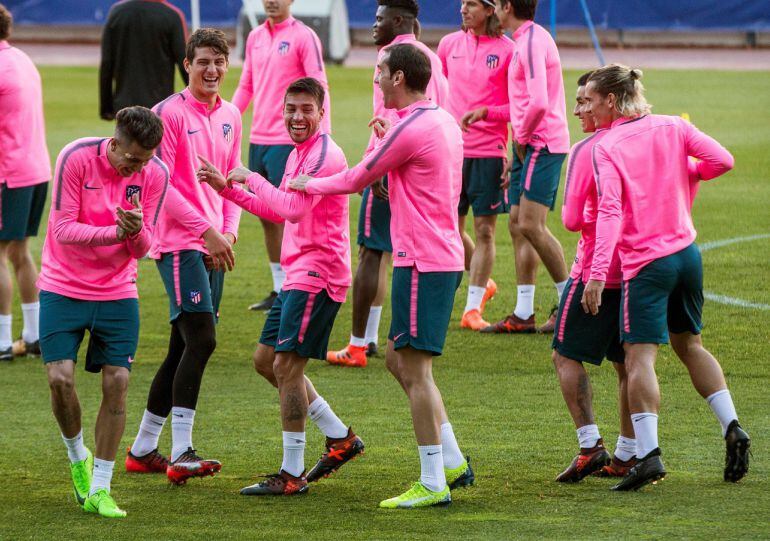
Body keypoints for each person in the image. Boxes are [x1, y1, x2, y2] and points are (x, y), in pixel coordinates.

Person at [291, 44, 473, 509]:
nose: (376, 80)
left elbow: (354, 179)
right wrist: (383, 146)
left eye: (380, 73)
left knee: (414, 369)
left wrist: (309, 183)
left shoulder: (411, 128)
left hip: (423, 259)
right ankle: (451, 461)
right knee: (397, 359)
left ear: (398, 78)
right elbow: (397, 183)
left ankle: (434, 480)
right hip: (435, 256)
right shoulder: (442, 120)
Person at [583, 64, 750, 490]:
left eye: (594, 99)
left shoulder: (607, 146)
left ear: (613, 101)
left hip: (647, 264)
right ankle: (731, 425)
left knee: (639, 357)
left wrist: (597, 274)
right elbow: (722, 160)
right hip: (686, 255)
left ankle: (650, 454)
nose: (589, 106)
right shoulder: (674, 126)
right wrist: (689, 174)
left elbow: (610, 211)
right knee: (690, 344)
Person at [198, 77, 364, 496]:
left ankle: (292, 474)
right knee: (265, 359)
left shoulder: (324, 155)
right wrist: (227, 190)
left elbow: (290, 210)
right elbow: (273, 207)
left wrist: (250, 177)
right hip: (298, 273)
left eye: (306, 109)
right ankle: (339, 437)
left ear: (321, 112)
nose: (296, 117)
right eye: (291, 109)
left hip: (319, 272)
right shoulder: (298, 155)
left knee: (287, 368)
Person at [126, 29, 242, 486]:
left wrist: (227, 232)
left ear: (226, 65)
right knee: (203, 338)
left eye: (218, 61)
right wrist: (206, 231)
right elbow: (162, 185)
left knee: (183, 344)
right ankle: (182, 451)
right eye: (202, 62)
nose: (211, 70)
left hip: (214, 243)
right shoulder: (168, 114)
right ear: (187, 65)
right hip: (177, 242)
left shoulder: (231, 114)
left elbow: (229, 181)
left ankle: (141, 449)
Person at [40, 106, 168, 518]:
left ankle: (100, 486)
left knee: (118, 383)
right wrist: (116, 231)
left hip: (117, 291)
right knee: (60, 380)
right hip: (63, 285)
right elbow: (61, 229)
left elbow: (144, 248)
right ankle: (78, 457)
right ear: (114, 144)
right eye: (131, 160)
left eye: (145, 160)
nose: (137, 169)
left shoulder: (155, 173)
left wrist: (136, 234)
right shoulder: (75, 158)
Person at [325, 0, 450, 368]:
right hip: (428, 164)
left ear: (398, 20)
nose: (374, 24)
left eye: (380, 19)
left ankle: (358, 344)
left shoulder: (392, 57)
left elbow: (386, 113)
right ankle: (389, 334)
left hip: (392, 163)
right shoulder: (431, 55)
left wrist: (374, 164)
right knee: (406, 250)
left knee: (371, 252)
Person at [465, 0, 570, 334]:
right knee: (517, 223)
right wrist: (489, 113)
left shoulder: (531, 42)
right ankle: (524, 313)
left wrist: (521, 138)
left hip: (542, 143)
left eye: (496, 3)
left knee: (530, 223)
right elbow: (523, 102)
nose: (493, 8)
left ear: (507, 6)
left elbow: (539, 102)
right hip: (529, 141)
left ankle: (569, 304)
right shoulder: (526, 40)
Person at [551, 72, 635, 482]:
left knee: (565, 354)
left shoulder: (587, 150)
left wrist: (590, 216)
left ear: (608, 102)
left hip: (595, 270)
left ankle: (590, 446)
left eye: (586, 100)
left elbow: (569, 220)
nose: (578, 108)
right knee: (629, 366)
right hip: (640, 267)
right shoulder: (642, 137)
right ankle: (629, 452)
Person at [233, 0, 332, 312]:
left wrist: (322, 137)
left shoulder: (304, 37)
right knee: (265, 215)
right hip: (258, 138)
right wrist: (225, 122)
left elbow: (319, 85)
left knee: (289, 215)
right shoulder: (255, 37)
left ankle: (298, 284)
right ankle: (279, 287)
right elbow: (246, 84)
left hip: (287, 140)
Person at [437, 0, 511, 331]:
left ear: (490, 9)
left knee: (484, 229)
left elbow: (519, 104)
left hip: (489, 151)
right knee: (450, 225)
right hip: (451, 149)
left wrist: (488, 114)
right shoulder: (448, 44)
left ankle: (472, 308)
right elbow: (437, 92)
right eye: (462, 3)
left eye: (471, 4)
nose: (463, 9)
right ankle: (485, 284)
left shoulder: (509, 51)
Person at [0, 4, 51, 360]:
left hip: (10, 172)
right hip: (36, 170)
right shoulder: (22, 59)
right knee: (20, 251)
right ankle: (33, 335)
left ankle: (2, 340)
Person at [99, 0, 188, 120]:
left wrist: (106, 107)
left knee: (127, 139)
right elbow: (186, 65)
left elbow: (106, 63)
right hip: (160, 109)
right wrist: (200, 104)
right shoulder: (172, 15)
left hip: (125, 108)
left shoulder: (117, 12)